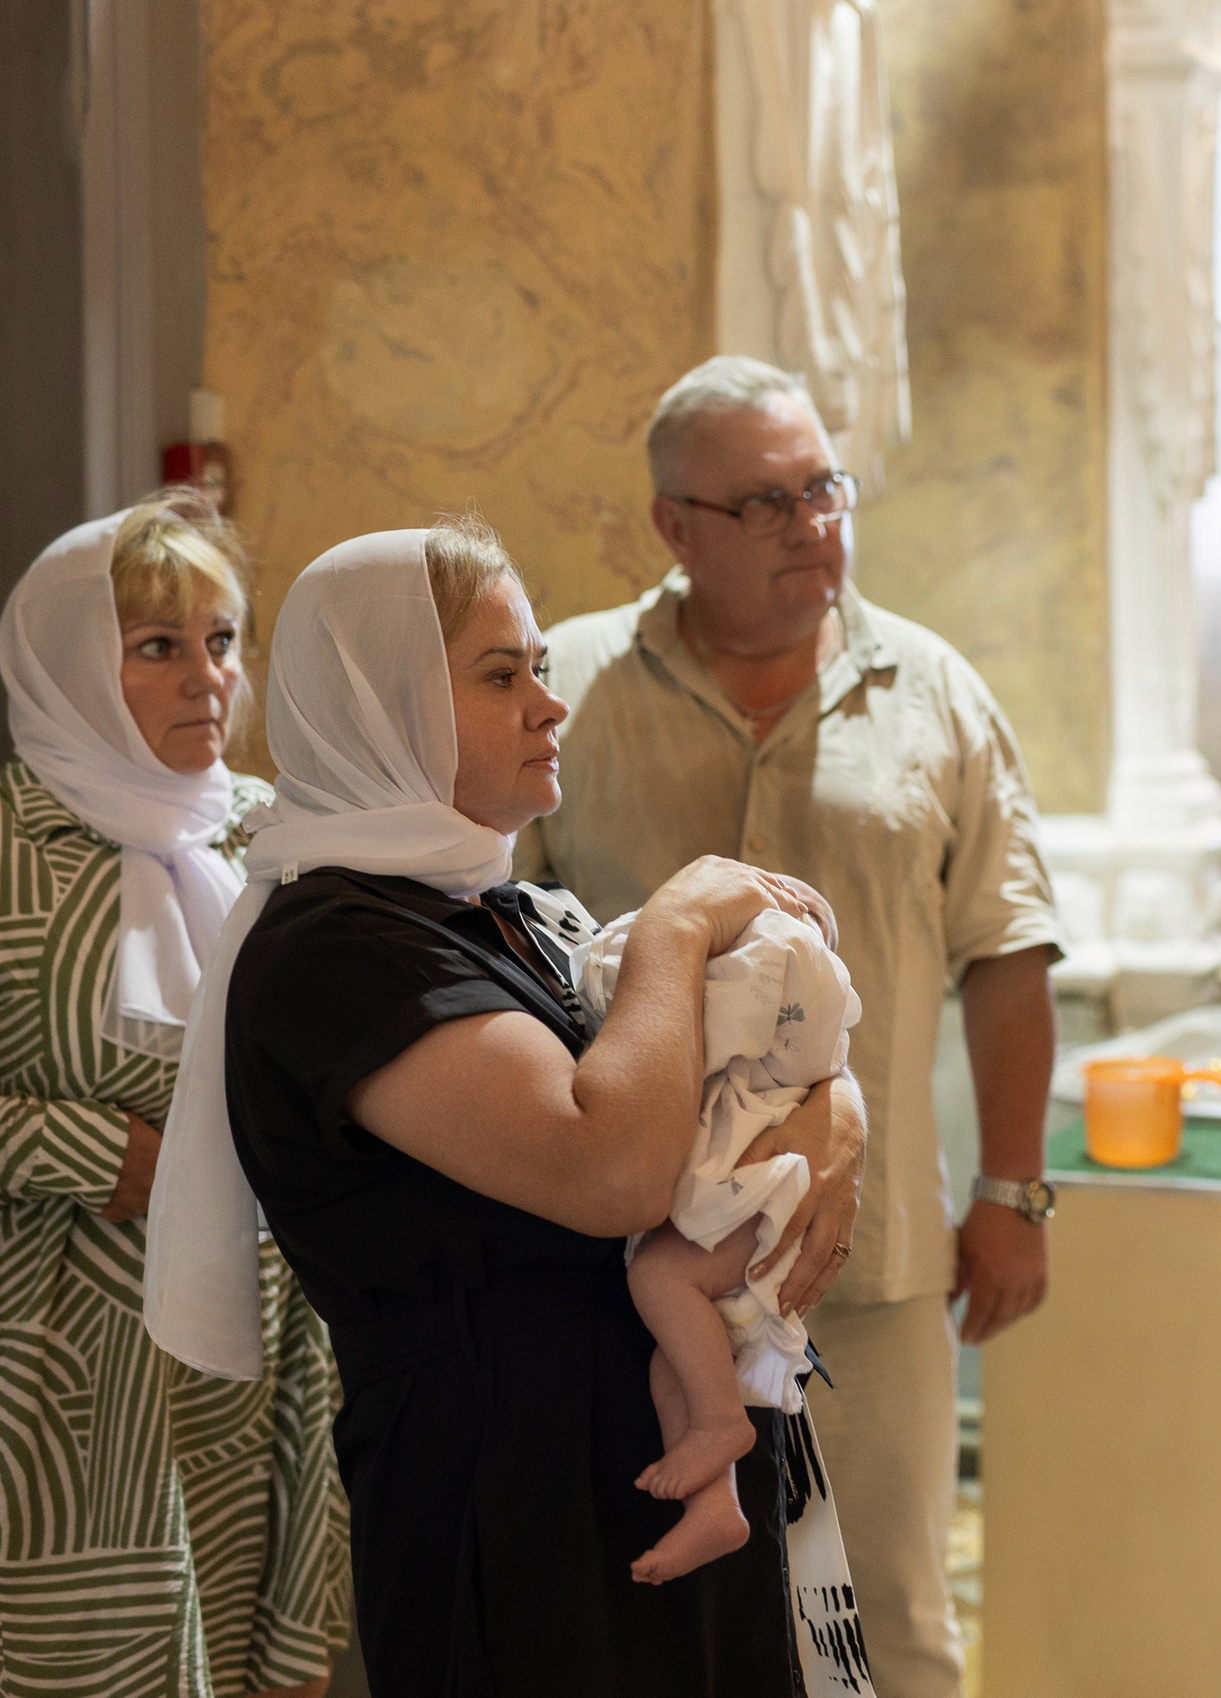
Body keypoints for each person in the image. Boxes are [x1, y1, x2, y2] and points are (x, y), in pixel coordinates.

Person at [141, 519, 865, 1694]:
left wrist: (836, 1109)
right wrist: (680, 924)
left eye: (541, 665)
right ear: (382, 707)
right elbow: (611, 1172)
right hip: (514, 1494)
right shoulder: (334, 948)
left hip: (646, 1445)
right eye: (499, 674)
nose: (549, 703)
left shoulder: (505, 909)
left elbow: (718, 1080)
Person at [517, 355, 1063, 1698]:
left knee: (889, 1618)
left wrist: (1013, 1190)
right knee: (643, 1608)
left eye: (825, 488)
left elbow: (1008, 953)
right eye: (764, 503)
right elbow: (501, 942)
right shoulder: (565, 686)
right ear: (674, 525)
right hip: (619, 1257)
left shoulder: (933, 691)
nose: (813, 525)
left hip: (857, 1260)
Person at [0, 492, 347, 1696]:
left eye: (223, 641)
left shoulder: (274, 841)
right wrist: (74, 1145)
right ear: (69, 661)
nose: (206, 678)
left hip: (248, 1355)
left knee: (234, 1648)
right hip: (48, 1373)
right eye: (158, 646)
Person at [567, 902, 862, 1584]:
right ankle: (715, 1504)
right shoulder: (807, 1018)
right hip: (757, 1206)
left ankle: (723, 1425)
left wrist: (654, 965)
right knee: (675, 1360)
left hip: (763, 1206)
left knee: (661, 1282)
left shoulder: (765, 985)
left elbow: (689, 1036)